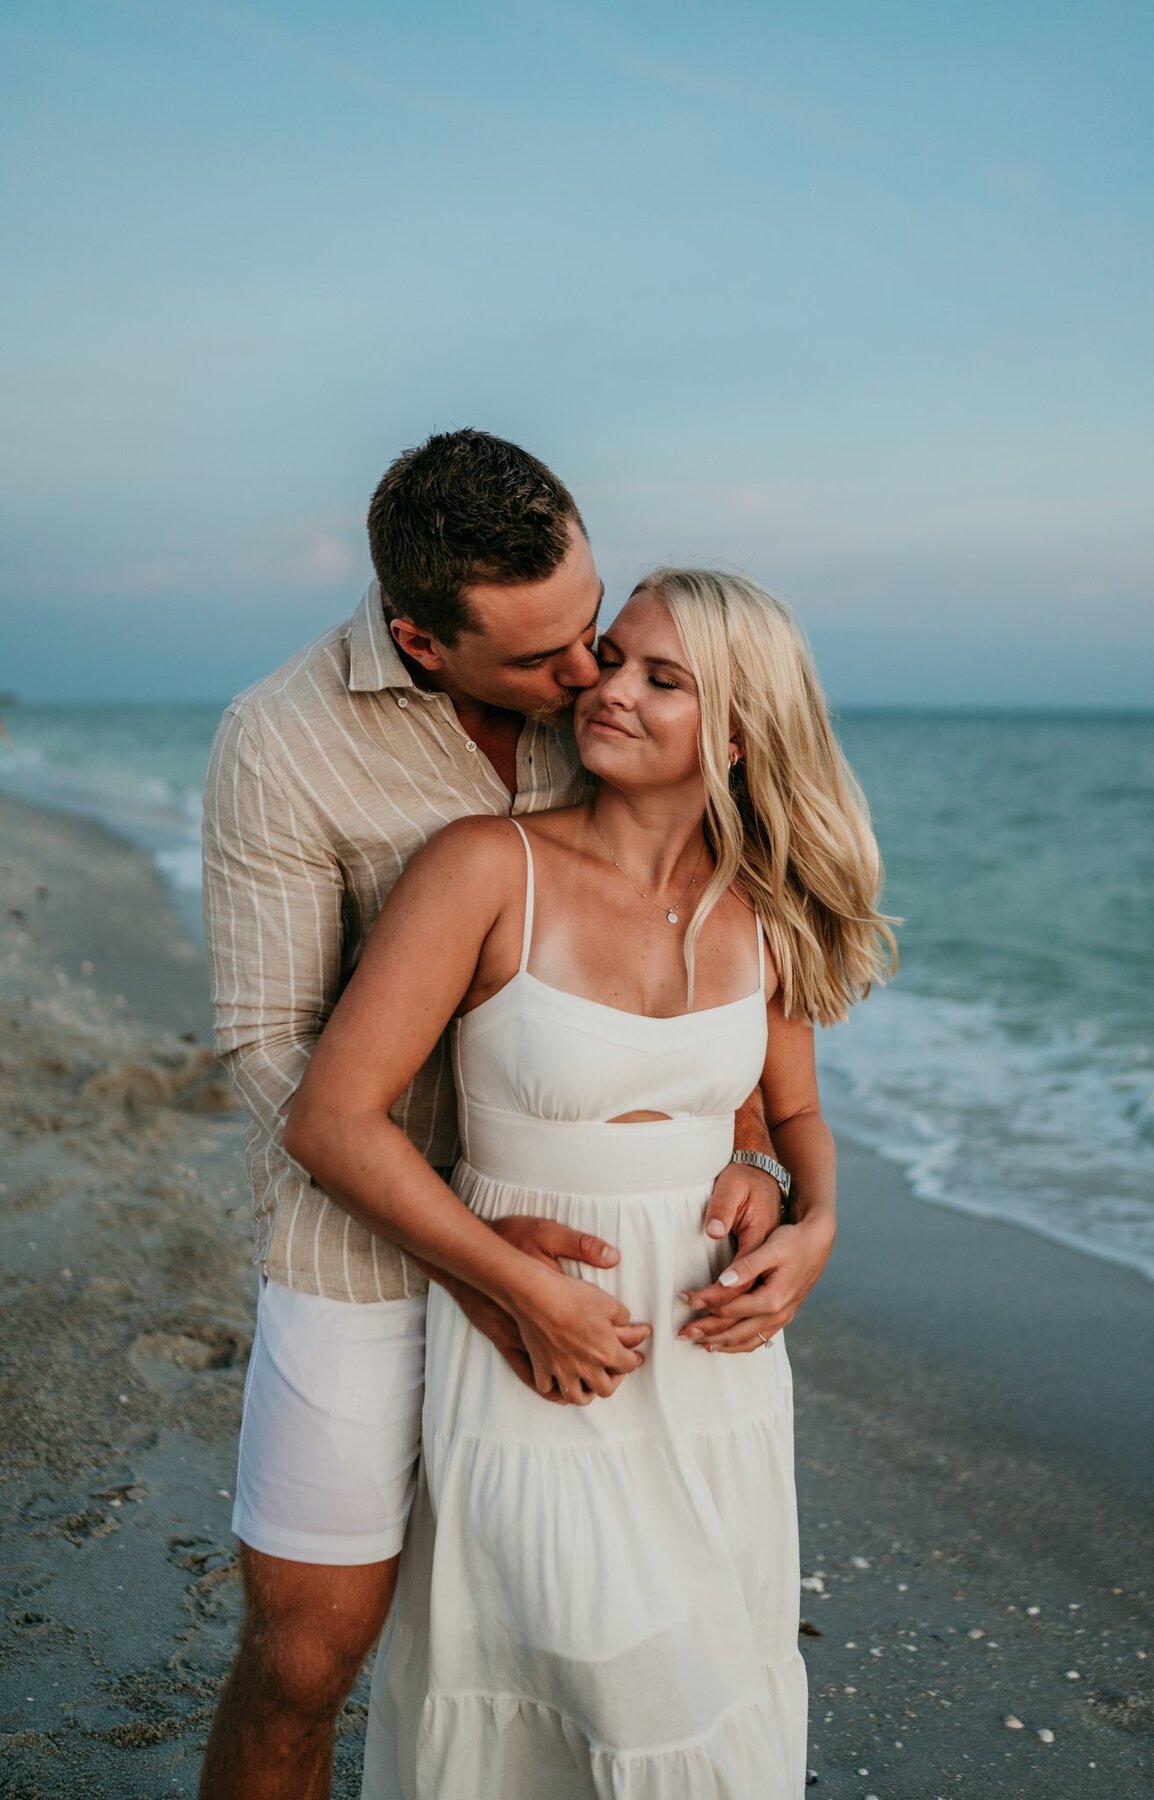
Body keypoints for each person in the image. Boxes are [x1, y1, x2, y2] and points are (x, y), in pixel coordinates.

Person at [198, 433, 790, 1800]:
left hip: (589, 1256)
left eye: (591, 627)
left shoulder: (604, 702)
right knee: (304, 1657)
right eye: (540, 661)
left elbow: (702, 938)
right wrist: (478, 1244)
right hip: (359, 1255)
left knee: (583, 1659)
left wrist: (754, 1142)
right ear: (417, 637)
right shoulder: (281, 741)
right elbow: (265, 1048)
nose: (585, 677)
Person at [285, 568, 898, 1797]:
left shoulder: (762, 906)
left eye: (661, 680)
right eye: (613, 658)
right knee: (594, 1695)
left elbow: (791, 1110)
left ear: (735, 732)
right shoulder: (482, 868)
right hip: (535, 1359)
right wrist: (516, 1287)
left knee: (714, 1684)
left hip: (716, 1368)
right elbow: (330, 1121)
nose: (606, 688)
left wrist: (812, 1214)